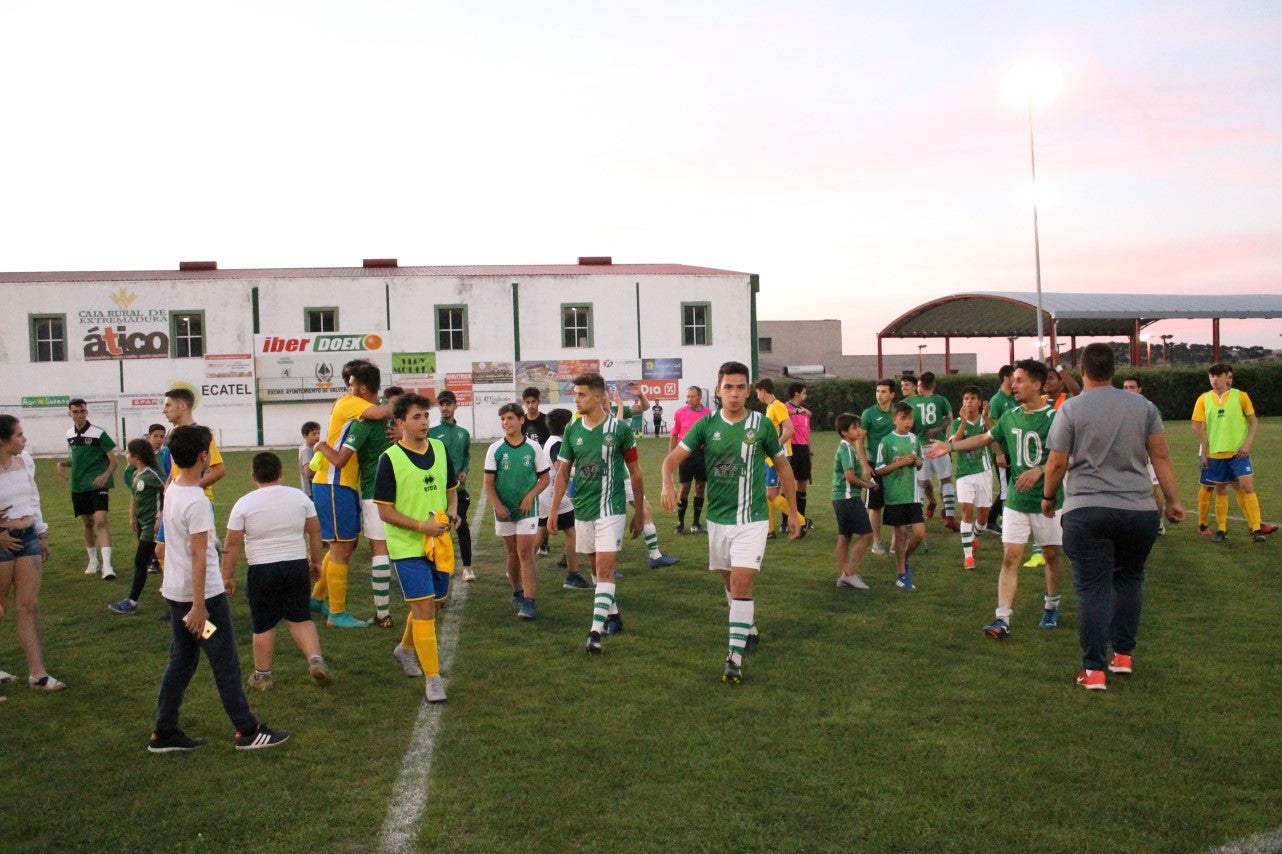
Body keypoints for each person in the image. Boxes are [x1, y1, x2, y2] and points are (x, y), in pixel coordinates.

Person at [1042, 343, 1185, 690]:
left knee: (1093, 588)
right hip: (1138, 510)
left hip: (1087, 510)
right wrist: (1173, 500)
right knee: (1130, 579)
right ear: (1114, 372)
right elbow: (1161, 456)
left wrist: (1048, 497)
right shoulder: (1143, 405)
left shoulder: (1071, 409)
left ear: (1082, 371)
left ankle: (1093, 670)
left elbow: (1058, 461)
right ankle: (1122, 656)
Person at [660, 361, 801, 683]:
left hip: (751, 520)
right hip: (718, 521)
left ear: (748, 391)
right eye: (728, 387)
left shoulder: (762, 425)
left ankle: (733, 657)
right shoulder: (706, 426)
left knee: (740, 584)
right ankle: (747, 626)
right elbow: (670, 460)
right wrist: (668, 483)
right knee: (730, 584)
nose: (734, 394)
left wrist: (792, 513)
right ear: (719, 390)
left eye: (740, 387)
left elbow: (784, 470)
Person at [150, 425, 287, 752]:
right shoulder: (196, 499)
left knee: (182, 659)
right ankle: (247, 730)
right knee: (223, 658)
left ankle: (164, 730)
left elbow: (185, 544)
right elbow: (196, 556)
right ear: (203, 455)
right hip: (199, 600)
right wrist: (200, 606)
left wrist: (211, 550)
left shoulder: (173, 490)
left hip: (176, 593)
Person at [926, 359, 1066, 638]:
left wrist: (1040, 471)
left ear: (1037, 384)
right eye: (1013, 379)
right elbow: (984, 439)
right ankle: (1002, 618)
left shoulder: (1056, 418)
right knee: (1010, 559)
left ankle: (1051, 605)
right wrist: (950, 447)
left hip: (1047, 503)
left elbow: (1071, 457)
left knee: (1050, 555)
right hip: (1016, 501)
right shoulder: (1011, 415)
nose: (1013, 385)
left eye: (1019, 380)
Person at [547, 372, 646, 655]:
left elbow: (636, 472)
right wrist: (554, 510)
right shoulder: (572, 430)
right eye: (575, 394)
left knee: (604, 569)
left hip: (611, 508)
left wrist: (639, 512)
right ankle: (613, 614)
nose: (576, 399)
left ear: (600, 397)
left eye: (581, 394)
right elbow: (563, 472)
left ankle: (594, 631)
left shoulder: (619, 430)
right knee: (594, 569)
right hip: (584, 508)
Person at [374, 393, 462, 701]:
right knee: (424, 609)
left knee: (433, 605)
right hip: (407, 547)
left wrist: (453, 511)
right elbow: (384, 511)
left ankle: (405, 649)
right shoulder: (390, 459)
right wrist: (421, 526)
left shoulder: (439, 448)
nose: (424, 422)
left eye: (426, 416)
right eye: (416, 417)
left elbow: (451, 490)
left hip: (438, 544)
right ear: (400, 423)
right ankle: (433, 678)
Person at [221, 452, 331, 691]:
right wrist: (316, 561)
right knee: (301, 618)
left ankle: (263, 676)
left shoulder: (244, 503)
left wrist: (227, 576)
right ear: (281, 472)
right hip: (295, 565)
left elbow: (231, 544)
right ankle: (315, 660)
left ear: (253, 476)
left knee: (264, 624)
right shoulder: (299, 497)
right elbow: (314, 531)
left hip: (262, 569)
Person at [309, 361, 395, 629]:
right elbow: (386, 411)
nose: (348, 388)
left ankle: (317, 598)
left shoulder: (354, 404)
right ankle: (337, 613)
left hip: (342, 485)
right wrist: (406, 404)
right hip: (334, 483)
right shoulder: (350, 402)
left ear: (364, 387)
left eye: (351, 383)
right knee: (341, 548)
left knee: (345, 545)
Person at [0, 415, 64, 693]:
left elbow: (33, 498)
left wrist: (41, 533)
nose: (24, 440)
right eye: (18, 435)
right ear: (3, 440)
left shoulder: (25, 460)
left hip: (28, 538)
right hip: (2, 540)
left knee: (28, 606)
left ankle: (38, 675)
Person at [1191, 363, 1273, 543]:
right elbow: (1197, 425)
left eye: (1218, 376)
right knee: (1219, 488)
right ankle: (1220, 529)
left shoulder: (1241, 396)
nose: (1214, 379)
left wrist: (1248, 444)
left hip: (1238, 453)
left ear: (1228, 377)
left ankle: (1256, 529)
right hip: (1215, 454)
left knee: (1247, 487)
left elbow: (1253, 421)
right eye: (1211, 376)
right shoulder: (1204, 399)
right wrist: (1204, 452)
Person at [484, 403, 552, 620]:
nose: (506, 423)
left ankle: (530, 600)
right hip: (504, 510)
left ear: (521, 420)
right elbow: (488, 483)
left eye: (511, 418)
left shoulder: (533, 447)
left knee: (525, 552)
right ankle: (517, 592)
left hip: (527, 509)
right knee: (512, 553)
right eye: (503, 419)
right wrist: (497, 505)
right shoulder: (495, 449)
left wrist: (530, 496)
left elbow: (545, 478)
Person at [609, 386, 679, 569]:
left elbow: (643, 407)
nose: (603, 400)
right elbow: (615, 433)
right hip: (607, 477)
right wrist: (619, 406)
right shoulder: (591, 418)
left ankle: (655, 556)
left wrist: (639, 395)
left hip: (623, 474)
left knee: (645, 509)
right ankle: (603, 568)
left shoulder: (616, 410)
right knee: (605, 520)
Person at [57, 398, 118, 579]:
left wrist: (105, 475)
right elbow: (78, 458)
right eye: (75, 412)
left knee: (100, 520)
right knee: (87, 523)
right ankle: (93, 561)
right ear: (70, 414)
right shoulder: (69, 434)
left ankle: (107, 566)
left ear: (87, 412)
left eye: (82, 411)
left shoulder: (99, 433)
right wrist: (62, 463)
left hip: (98, 485)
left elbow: (114, 461)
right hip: (78, 485)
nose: (79, 415)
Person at [108, 439, 166, 615]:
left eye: (128, 453)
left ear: (137, 457)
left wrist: (160, 517)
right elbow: (134, 496)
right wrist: (132, 515)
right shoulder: (136, 474)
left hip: (152, 527)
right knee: (163, 562)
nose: (126, 456)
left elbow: (170, 492)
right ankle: (177, 602)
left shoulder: (153, 475)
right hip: (142, 525)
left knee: (141, 561)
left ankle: (132, 601)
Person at [873, 403, 926, 591]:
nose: (908, 422)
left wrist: (918, 462)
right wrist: (901, 463)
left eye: (910, 418)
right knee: (901, 534)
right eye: (904, 418)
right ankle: (901, 574)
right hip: (895, 496)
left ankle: (904, 559)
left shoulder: (914, 439)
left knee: (919, 533)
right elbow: (878, 470)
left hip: (912, 495)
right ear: (894, 419)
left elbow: (920, 463)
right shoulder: (886, 441)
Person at [538, 408, 590, 590]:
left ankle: (518, 565)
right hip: (554, 494)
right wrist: (584, 471)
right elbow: (560, 467)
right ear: (567, 424)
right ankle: (573, 576)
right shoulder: (557, 444)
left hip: (548, 494)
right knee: (572, 532)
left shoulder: (554, 441)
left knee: (540, 532)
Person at [430, 390, 476, 582]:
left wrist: (465, 469)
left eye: (448, 404)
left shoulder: (463, 433)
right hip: (437, 491)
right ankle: (445, 565)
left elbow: (466, 455)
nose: (445, 407)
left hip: (458, 490)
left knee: (462, 526)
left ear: (455, 406)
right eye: (442, 404)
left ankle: (467, 567)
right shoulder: (431, 432)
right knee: (441, 528)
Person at [948, 386, 994, 571]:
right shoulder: (958, 422)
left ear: (979, 401)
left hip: (984, 471)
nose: (969, 401)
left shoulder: (985, 421)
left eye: (973, 398)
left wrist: (986, 417)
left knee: (983, 517)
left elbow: (996, 434)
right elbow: (954, 444)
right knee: (967, 513)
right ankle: (968, 557)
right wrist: (964, 422)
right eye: (966, 398)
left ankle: (975, 538)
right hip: (963, 473)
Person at [831, 413, 878, 590]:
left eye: (858, 426)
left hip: (839, 498)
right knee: (867, 535)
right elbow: (850, 477)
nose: (858, 430)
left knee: (845, 536)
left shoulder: (846, 447)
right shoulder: (847, 449)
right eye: (854, 428)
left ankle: (843, 574)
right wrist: (868, 485)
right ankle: (849, 573)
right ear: (844, 432)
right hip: (848, 497)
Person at [909, 372, 958, 530]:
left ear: (920, 385)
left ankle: (917, 517)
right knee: (946, 480)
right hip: (938, 446)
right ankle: (950, 516)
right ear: (933, 385)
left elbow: (909, 422)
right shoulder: (941, 400)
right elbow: (950, 418)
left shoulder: (913, 402)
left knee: (921, 483)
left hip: (921, 446)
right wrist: (938, 428)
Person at [1122, 377, 1168, 534]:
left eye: (1132, 387)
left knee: (1153, 491)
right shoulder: (1120, 407)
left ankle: (1159, 523)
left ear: (1139, 389)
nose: (1128, 390)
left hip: (1147, 457)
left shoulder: (1149, 408)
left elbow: (1157, 436)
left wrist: (1148, 453)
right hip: (1127, 457)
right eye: (1125, 387)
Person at [753, 378, 797, 536]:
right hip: (771, 456)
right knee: (770, 492)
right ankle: (770, 530)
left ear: (763, 391)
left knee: (770, 494)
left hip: (778, 456)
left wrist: (775, 446)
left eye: (757, 392)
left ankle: (802, 521)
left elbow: (789, 430)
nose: (757, 395)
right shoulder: (770, 407)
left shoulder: (777, 406)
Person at [859, 380, 897, 554]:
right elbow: (860, 440)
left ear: (892, 395)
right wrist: (865, 464)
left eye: (883, 391)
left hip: (895, 463)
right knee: (875, 506)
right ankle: (877, 541)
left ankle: (896, 544)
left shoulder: (898, 412)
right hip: (875, 464)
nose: (879, 394)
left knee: (897, 504)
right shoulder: (869, 413)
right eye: (877, 391)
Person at [669, 385, 712, 534]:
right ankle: (680, 523)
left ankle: (696, 523)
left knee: (700, 487)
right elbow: (674, 435)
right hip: (685, 454)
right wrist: (672, 456)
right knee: (684, 487)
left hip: (702, 455)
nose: (688, 399)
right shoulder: (680, 413)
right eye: (687, 397)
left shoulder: (708, 414)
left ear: (699, 397)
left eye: (691, 397)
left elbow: (711, 436)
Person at [986, 366, 1016, 534]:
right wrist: (998, 453)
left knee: (1012, 486)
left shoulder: (1012, 399)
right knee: (1006, 488)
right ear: (1006, 377)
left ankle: (991, 520)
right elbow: (991, 430)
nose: (1016, 380)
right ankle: (1003, 524)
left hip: (1012, 450)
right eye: (1014, 376)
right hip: (1003, 451)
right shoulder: (997, 400)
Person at [785, 382, 816, 532]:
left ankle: (801, 519)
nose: (806, 396)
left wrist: (810, 451)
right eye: (804, 393)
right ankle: (785, 523)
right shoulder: (784, 408)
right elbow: (783, 414)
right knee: (788, 484)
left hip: (803, 449)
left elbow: (806, 433)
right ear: (796, 394)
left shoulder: (804, 412)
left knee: (802, 483)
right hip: (791, 450)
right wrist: (798, 411)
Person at [298, 421, 320, 498]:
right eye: (314, 434)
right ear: (305, 436)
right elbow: (309, 473)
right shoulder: (306, 450)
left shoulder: (314, 447)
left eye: (318, 433)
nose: (317, 436)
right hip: (311, 491)